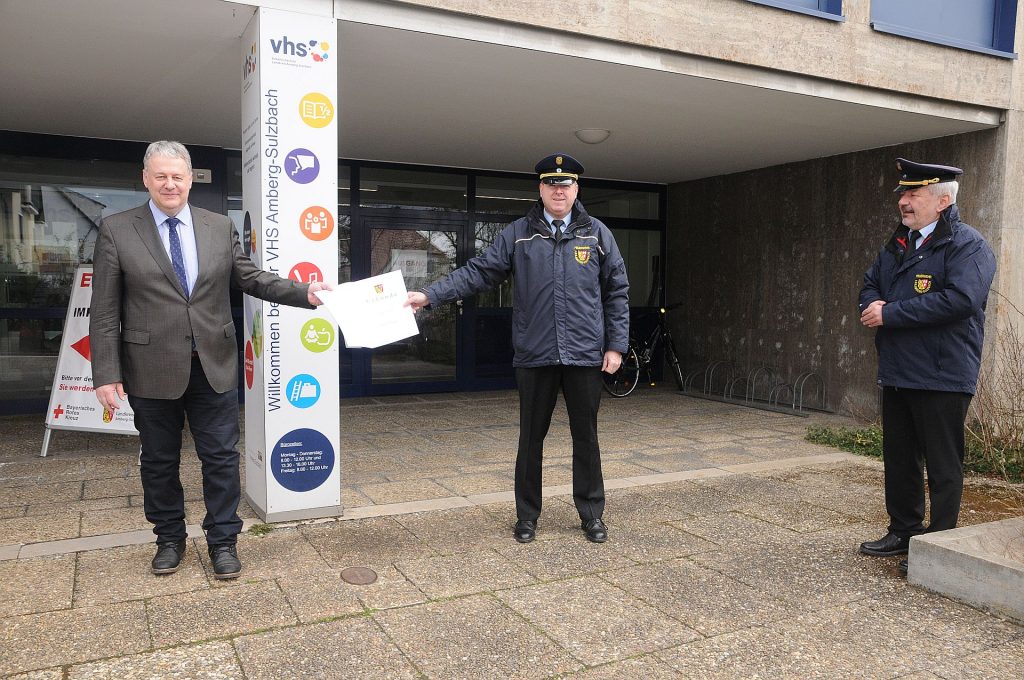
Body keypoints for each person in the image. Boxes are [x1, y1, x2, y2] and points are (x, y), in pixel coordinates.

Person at [90, 141, 330, 579]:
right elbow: (105, 311)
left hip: (213, 363)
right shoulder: (117, 229)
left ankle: (223, 541)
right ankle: (169, 538)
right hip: (150, 367)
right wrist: (105, 373)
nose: (169, 184)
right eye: (160, 176)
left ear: (189, 178)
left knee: (220, 458)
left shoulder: (218, 226)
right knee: (159, 460)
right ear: (145, 178)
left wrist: (305, 293)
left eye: (177, 176)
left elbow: (250, 277)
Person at [405, 153, 629, 544]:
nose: (558, 191)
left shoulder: (597, 234)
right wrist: (429, 294)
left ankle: (592, 514)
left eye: (566, 185)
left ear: (577, 189)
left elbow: (617, 292)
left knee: (586, 439)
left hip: (584, 355)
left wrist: (616, 345)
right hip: (535, 355)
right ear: (540, 189)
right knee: (530, 441)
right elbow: (477, 272)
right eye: (551, 184)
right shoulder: (517, 235)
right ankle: (527, 517)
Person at [858, 157, 996, 574]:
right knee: (899, 458)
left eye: (913, 193)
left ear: (940, 200)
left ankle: (937, 549)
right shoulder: (899, 243)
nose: (903, 200)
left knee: (942, 464)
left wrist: (891, 313)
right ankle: (903, 530)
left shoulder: (967, 245)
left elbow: (961, 300)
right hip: (899, 370)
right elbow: (869, 283)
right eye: (903, 193)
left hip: (942, 373)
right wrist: (871, 305)